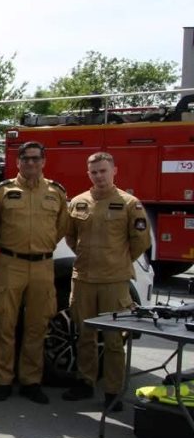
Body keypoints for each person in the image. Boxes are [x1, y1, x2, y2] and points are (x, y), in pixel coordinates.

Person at [62, 152, 150, 411]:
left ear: (114, 171)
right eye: (94, 172)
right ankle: (85, 382)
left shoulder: (129, 203)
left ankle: (113, 391)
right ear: (88, 174)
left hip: (114, 282)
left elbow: (140, 241)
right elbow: (71, 237)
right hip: (84, 279)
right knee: (84, 335)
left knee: (113, 340)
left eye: (103, 171)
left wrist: (118, 261)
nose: (99, 176)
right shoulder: (78, 203)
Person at [0, 141, 69, 404]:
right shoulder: (2, 191)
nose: (30, 163)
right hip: (11, 263)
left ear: (43, 161)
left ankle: (31, 381)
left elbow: (61, 228)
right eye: (25, 158)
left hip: (42, 266)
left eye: (36, 158)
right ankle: (2, 380)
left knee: (37, 326)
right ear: (18, 162)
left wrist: (42, 246)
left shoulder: (56, 192)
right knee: (6, 325)